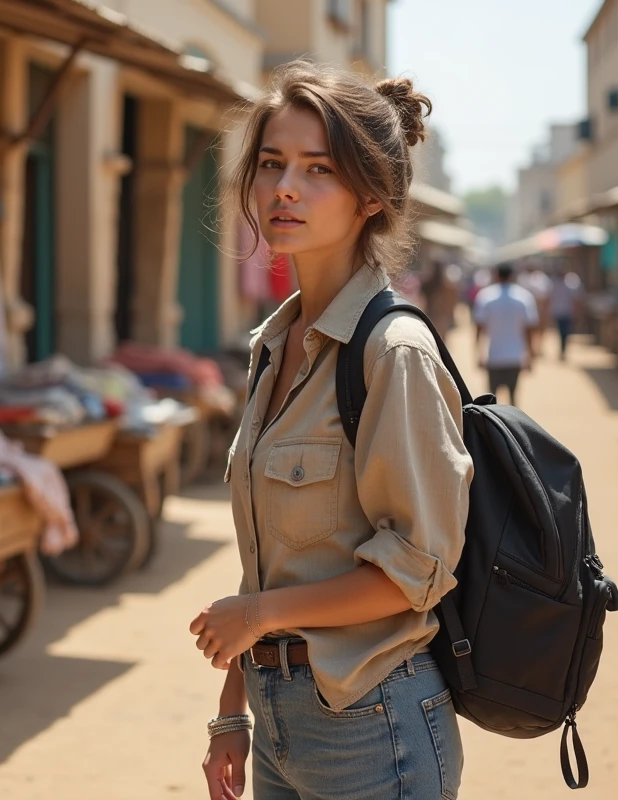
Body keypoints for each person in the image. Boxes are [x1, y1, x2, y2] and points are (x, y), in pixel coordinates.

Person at [190, 62, 472, 800]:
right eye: (273, 163)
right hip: (280, 724)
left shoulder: (391, 352)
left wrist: (258, 616)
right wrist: (231, 714)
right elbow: (272, 561)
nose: (285, 187)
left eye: (318, 170)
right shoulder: (275, 346)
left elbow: (415, 567)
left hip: (373, 727)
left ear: (370, 195)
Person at [473, 263, 538, 405]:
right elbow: (529, 328)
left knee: (491, 401)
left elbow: (479, 327)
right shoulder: (524, 297)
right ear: (512, 276)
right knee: (513, 398)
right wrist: (531, 354)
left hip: (494, 356)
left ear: (496, 275)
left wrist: (478, 352)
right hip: (515, 356)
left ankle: (492, 427)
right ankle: (512, 426)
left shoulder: (486, 296)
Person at [550, 268, 585, 360]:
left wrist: (576, 313)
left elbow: (577, 300)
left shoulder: (572, 281)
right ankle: (562, 350)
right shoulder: (554, 282)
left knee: (565, 333)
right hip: (557, 311)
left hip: (568, 312)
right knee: (560, 332)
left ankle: (563, 350)